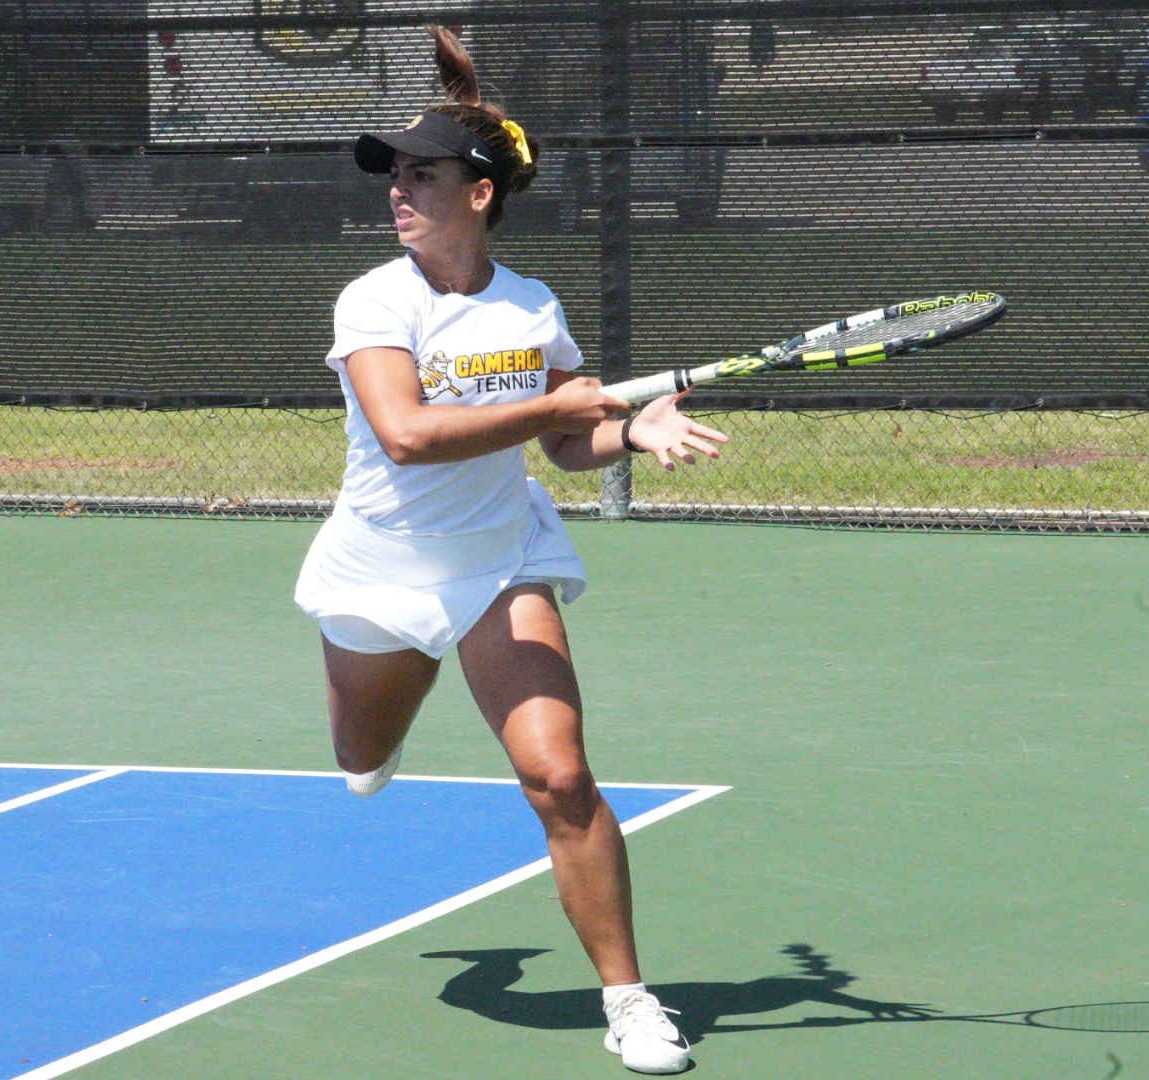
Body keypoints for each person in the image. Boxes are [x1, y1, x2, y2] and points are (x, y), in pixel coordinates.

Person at [292, 26, 728, 1076]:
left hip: (498, 564)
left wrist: (631, 429)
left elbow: (569, 439)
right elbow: (407, 433)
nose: (399, 192)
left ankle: (628, 998)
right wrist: (556, 404)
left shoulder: (531, 305)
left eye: (422, 176)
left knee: (560, 777)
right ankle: (378, 731)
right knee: (360, 763)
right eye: (394, 176)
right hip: (383, 567)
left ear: (479, 193)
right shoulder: (375, 301)